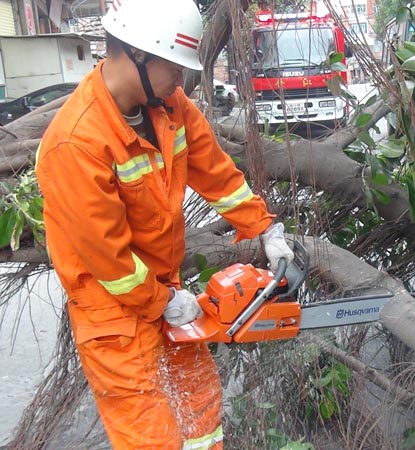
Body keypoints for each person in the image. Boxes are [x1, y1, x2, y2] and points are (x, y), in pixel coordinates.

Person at [34, 0, 293, 448]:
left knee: (201, 414)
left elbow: (216, 173)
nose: (182, 78)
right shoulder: (77, 141)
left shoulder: (170, 106)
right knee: (151, 436)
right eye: (175, 66)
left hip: (165, 293)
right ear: (137, 53)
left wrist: (264, 228)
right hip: (114, 314)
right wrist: (164, 301)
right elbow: (111, 262)